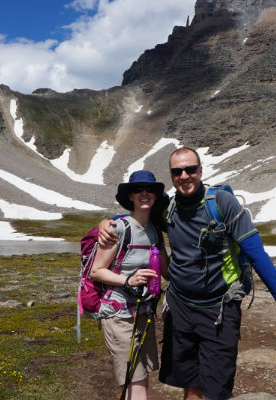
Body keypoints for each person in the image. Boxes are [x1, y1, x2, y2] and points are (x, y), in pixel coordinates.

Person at [98, 147, 276, 400]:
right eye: (178, 171)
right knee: (190, 383)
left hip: (219, 309)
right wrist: (108, 222)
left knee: (217, 388)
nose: (184, 176)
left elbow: (255, 251)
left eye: (190, 169)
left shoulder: (221, 202)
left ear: (200, 170)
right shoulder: (168, 207)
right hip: (180, 308)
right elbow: (138, 212)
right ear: (172, 176)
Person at [90, 170, 169, 400]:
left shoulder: (155, 231)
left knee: (140, 379)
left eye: (150, 189)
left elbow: (166, 271)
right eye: (138, 190)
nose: (144, 193)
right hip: (119, 316)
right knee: (136, 384)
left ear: (155, 195)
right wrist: (128, 280)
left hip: (143, 314)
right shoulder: (118, 228)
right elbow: (97, 271)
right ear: (131, 197)